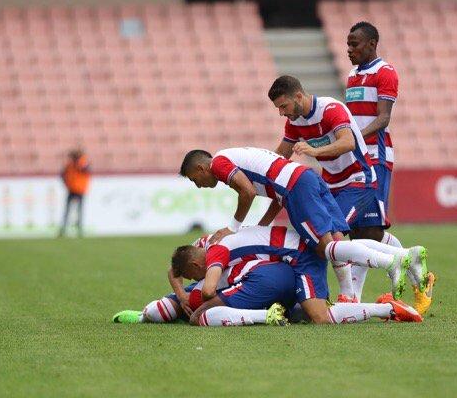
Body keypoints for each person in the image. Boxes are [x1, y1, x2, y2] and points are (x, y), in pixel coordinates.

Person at [267, 75, 429, 303]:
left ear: (299, 96)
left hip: (358, 179)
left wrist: (314, 152)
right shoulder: (294, 123)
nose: (282, 113)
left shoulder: (331, 109)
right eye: (278, 109)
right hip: (331, 186)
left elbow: (348, 142)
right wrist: (262, 171)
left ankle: (348, 296)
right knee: (367, 235)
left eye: (283, 106)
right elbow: (280, 156)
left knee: (332, 235)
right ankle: (406, 258)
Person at [179, 148, 417, 299]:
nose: (197, 184)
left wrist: (233, 228)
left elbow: (247, 192)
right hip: (305, 177)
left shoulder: (219, 163)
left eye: (194, 179)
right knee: (336, 241)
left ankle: (391, 262)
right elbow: (274, 197)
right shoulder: (236, 157)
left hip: (295, 186)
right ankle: (401, 259)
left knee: (325, 248)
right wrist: (261, 226)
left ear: (201, 168)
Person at [345, 22, 436, 311]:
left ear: (372, 44)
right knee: (359, 232)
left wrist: (354, 139)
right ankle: (413, 271)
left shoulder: (385, 72)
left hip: (375, 156)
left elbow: (383, 118)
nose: (349, 49)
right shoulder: (352, 75)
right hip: (355, 158)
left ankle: (357, 298)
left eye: (355, 44)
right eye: (348, 44)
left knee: (368, 233)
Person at [169, 225, 422, 324]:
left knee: (320, 317)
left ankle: (387, 303)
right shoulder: (216, 242)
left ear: (195, 263)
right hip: (294, 253)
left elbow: (208, 290)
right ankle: (397, 258)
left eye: (192, 275)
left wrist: (182, 296)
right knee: (336, 250)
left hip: (300, 256)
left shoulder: (216, 252)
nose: (196, 279)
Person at [58, 149, 90, 237]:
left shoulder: (83, 163)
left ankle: (79, 229)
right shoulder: (70, 165)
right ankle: (64, 229)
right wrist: (66, 183)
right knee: (68, 211)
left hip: (79, 190)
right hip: (72, 189)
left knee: (78, 211)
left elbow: (86, 170)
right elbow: (62, 174)